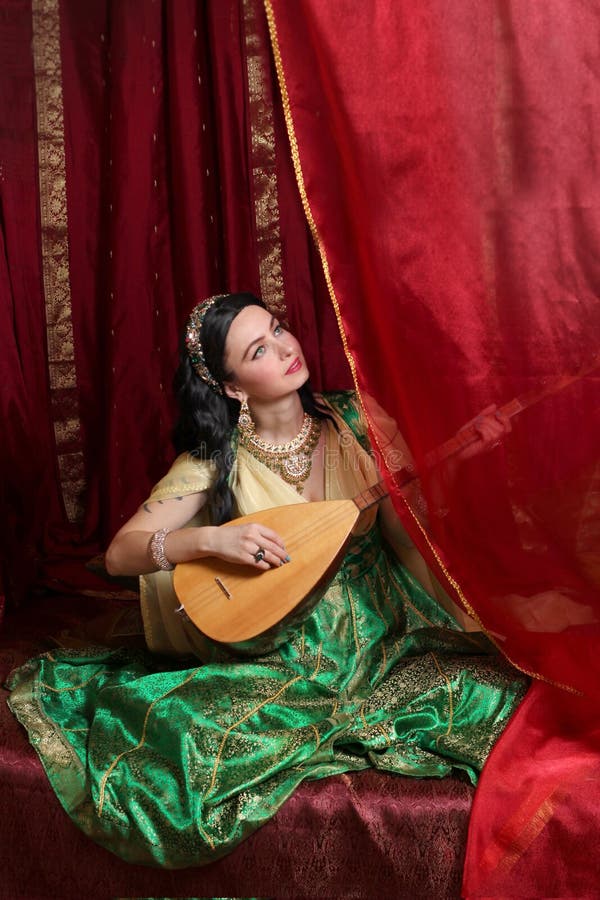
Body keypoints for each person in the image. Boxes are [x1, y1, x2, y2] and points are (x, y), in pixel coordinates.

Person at [7, 292, 526, 868]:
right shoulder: (213, 460)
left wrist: (453, 467)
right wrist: (210, 540)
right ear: (232, 388)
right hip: (280, 645)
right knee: (192, 746)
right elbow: (119, 555)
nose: (285, 349)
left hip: (383, 628)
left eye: (279, 330)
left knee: (498, 699)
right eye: (259, 349)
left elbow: (413, 533)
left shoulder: (357, 419)